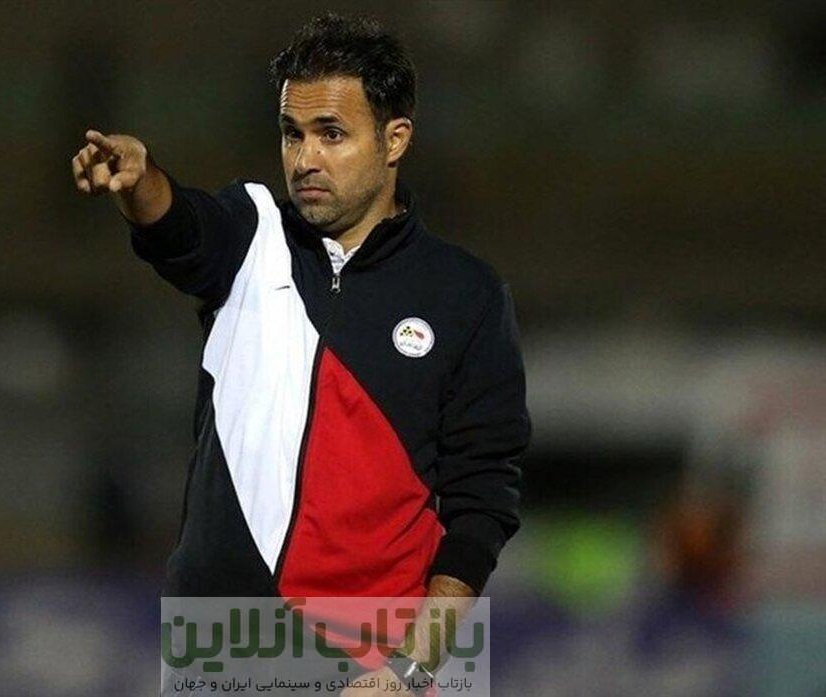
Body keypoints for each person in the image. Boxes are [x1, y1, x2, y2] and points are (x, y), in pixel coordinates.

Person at [71, 13, 531, 696]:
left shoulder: (466, 295)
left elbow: (482, 506)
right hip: (218, 652)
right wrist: (139, 182)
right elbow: (179, 227)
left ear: (395, 139)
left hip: (372, 662)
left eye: (331, 134)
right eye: (293, 133)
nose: (305, 158)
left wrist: (412, 668)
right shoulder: (251, 235)